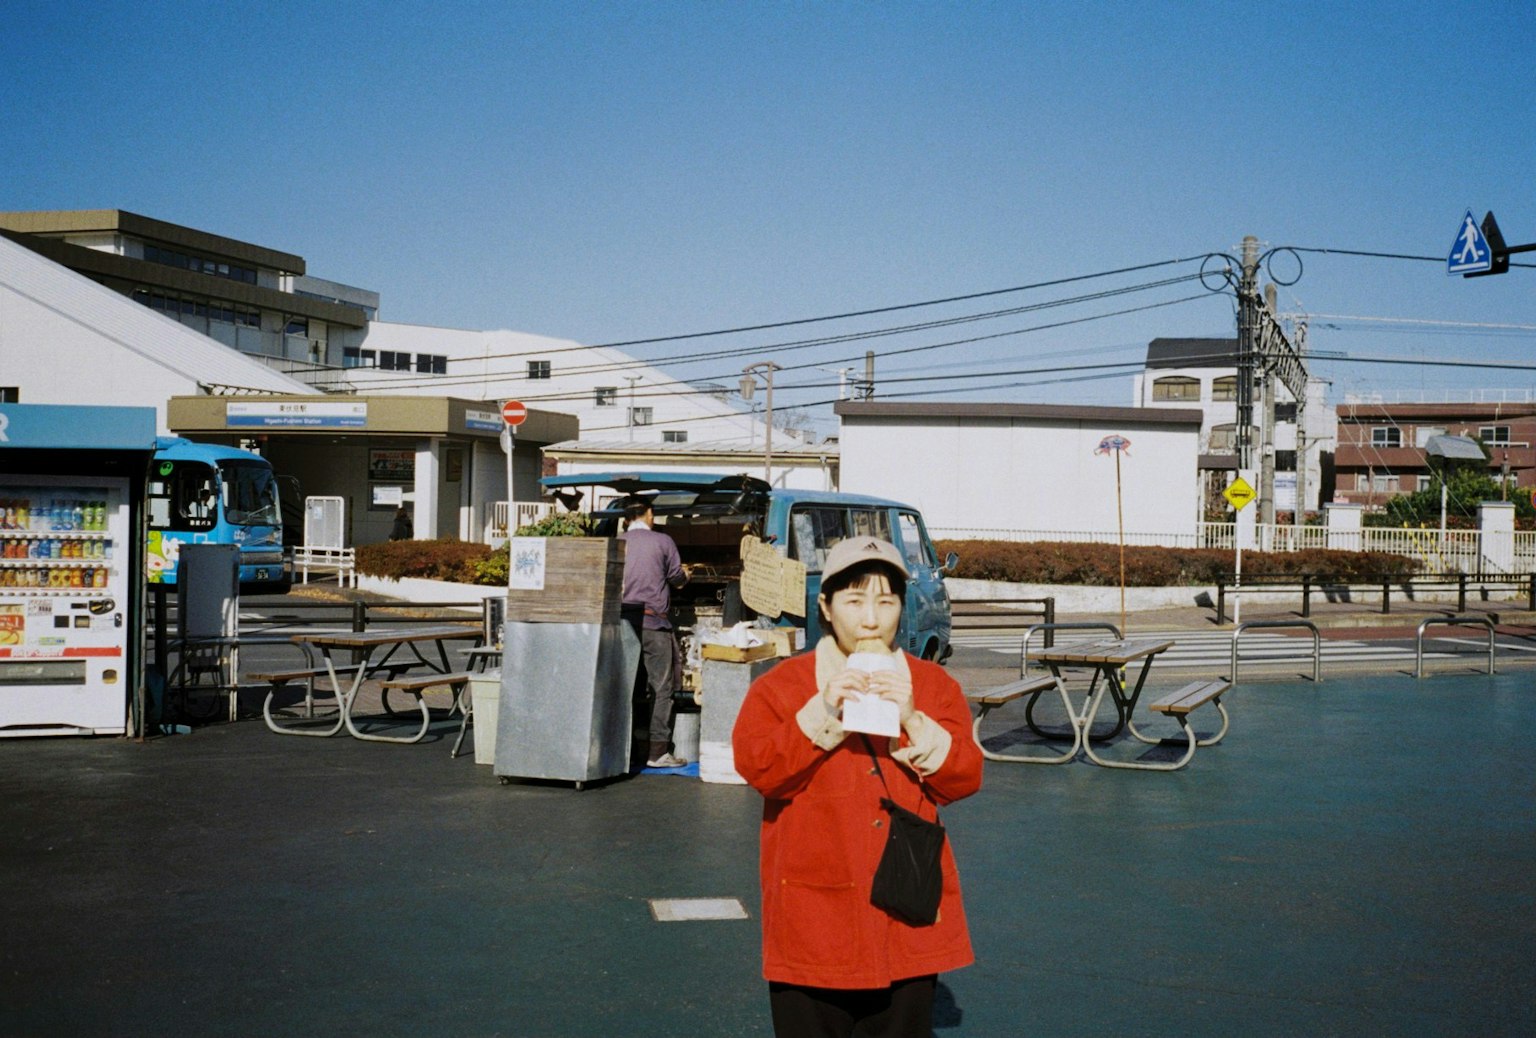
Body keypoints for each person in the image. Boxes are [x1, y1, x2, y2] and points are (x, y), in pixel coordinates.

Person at [732, 536, 983, 1037]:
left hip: (904, 907)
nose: (871, 619)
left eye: (886, 601)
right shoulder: (782, 686)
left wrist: (912, 717)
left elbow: (964, 778)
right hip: (812, 918)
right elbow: (759, 769)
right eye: (854, 600)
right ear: (825, 607)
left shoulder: (933, 686)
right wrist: (823, 711)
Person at [619, 495, 689, 769]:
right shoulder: (663, 541)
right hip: (654, 624)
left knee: (629, 687)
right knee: (662, 688)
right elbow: (676, 578)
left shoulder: (618, 543)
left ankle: (627, 749)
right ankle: (658, 751)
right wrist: (686, 575)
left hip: (623, 623)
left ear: (626, 519)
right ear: (649, 515)